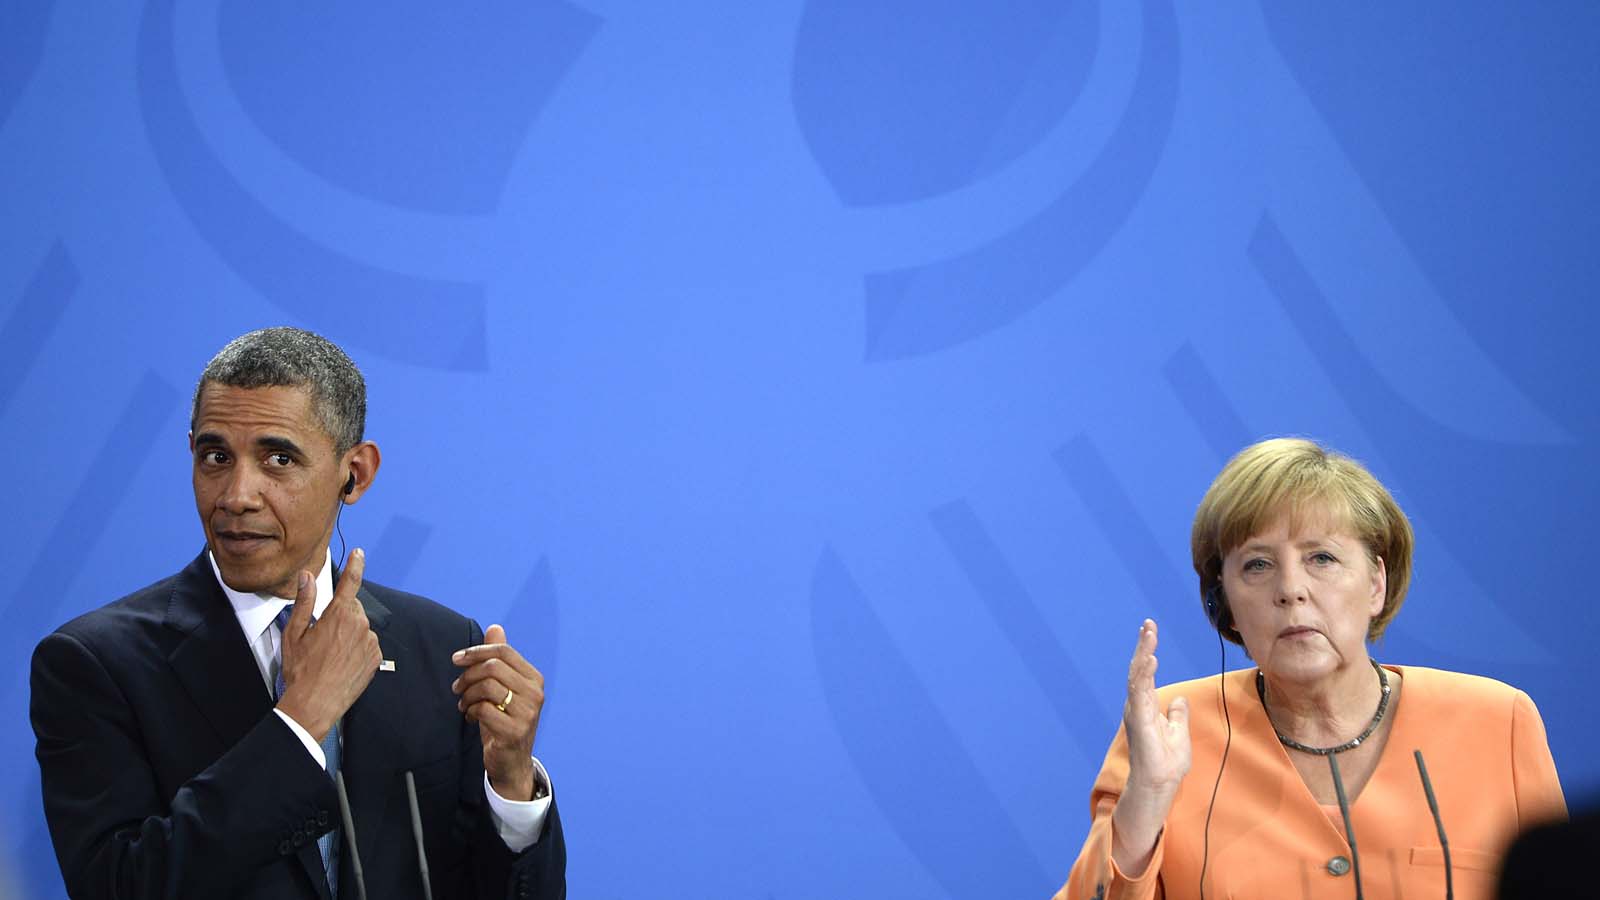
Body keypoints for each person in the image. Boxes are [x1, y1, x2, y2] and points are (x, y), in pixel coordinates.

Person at [30, 328, 566, 899]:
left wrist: (512, 786)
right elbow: (121, 886)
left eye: (278, 458)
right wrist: (302, 720)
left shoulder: (441, 648)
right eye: (216, 457)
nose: (236, 495)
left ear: (354, 473)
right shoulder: (94, 665)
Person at [1053, 438, 1565, 900]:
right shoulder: (1171, 730)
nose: (1291, 589)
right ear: (1224, 605)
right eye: (1257, 564)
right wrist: (1145, 803)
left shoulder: (1498, 722)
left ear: (1376, 584)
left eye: (1321, 558)